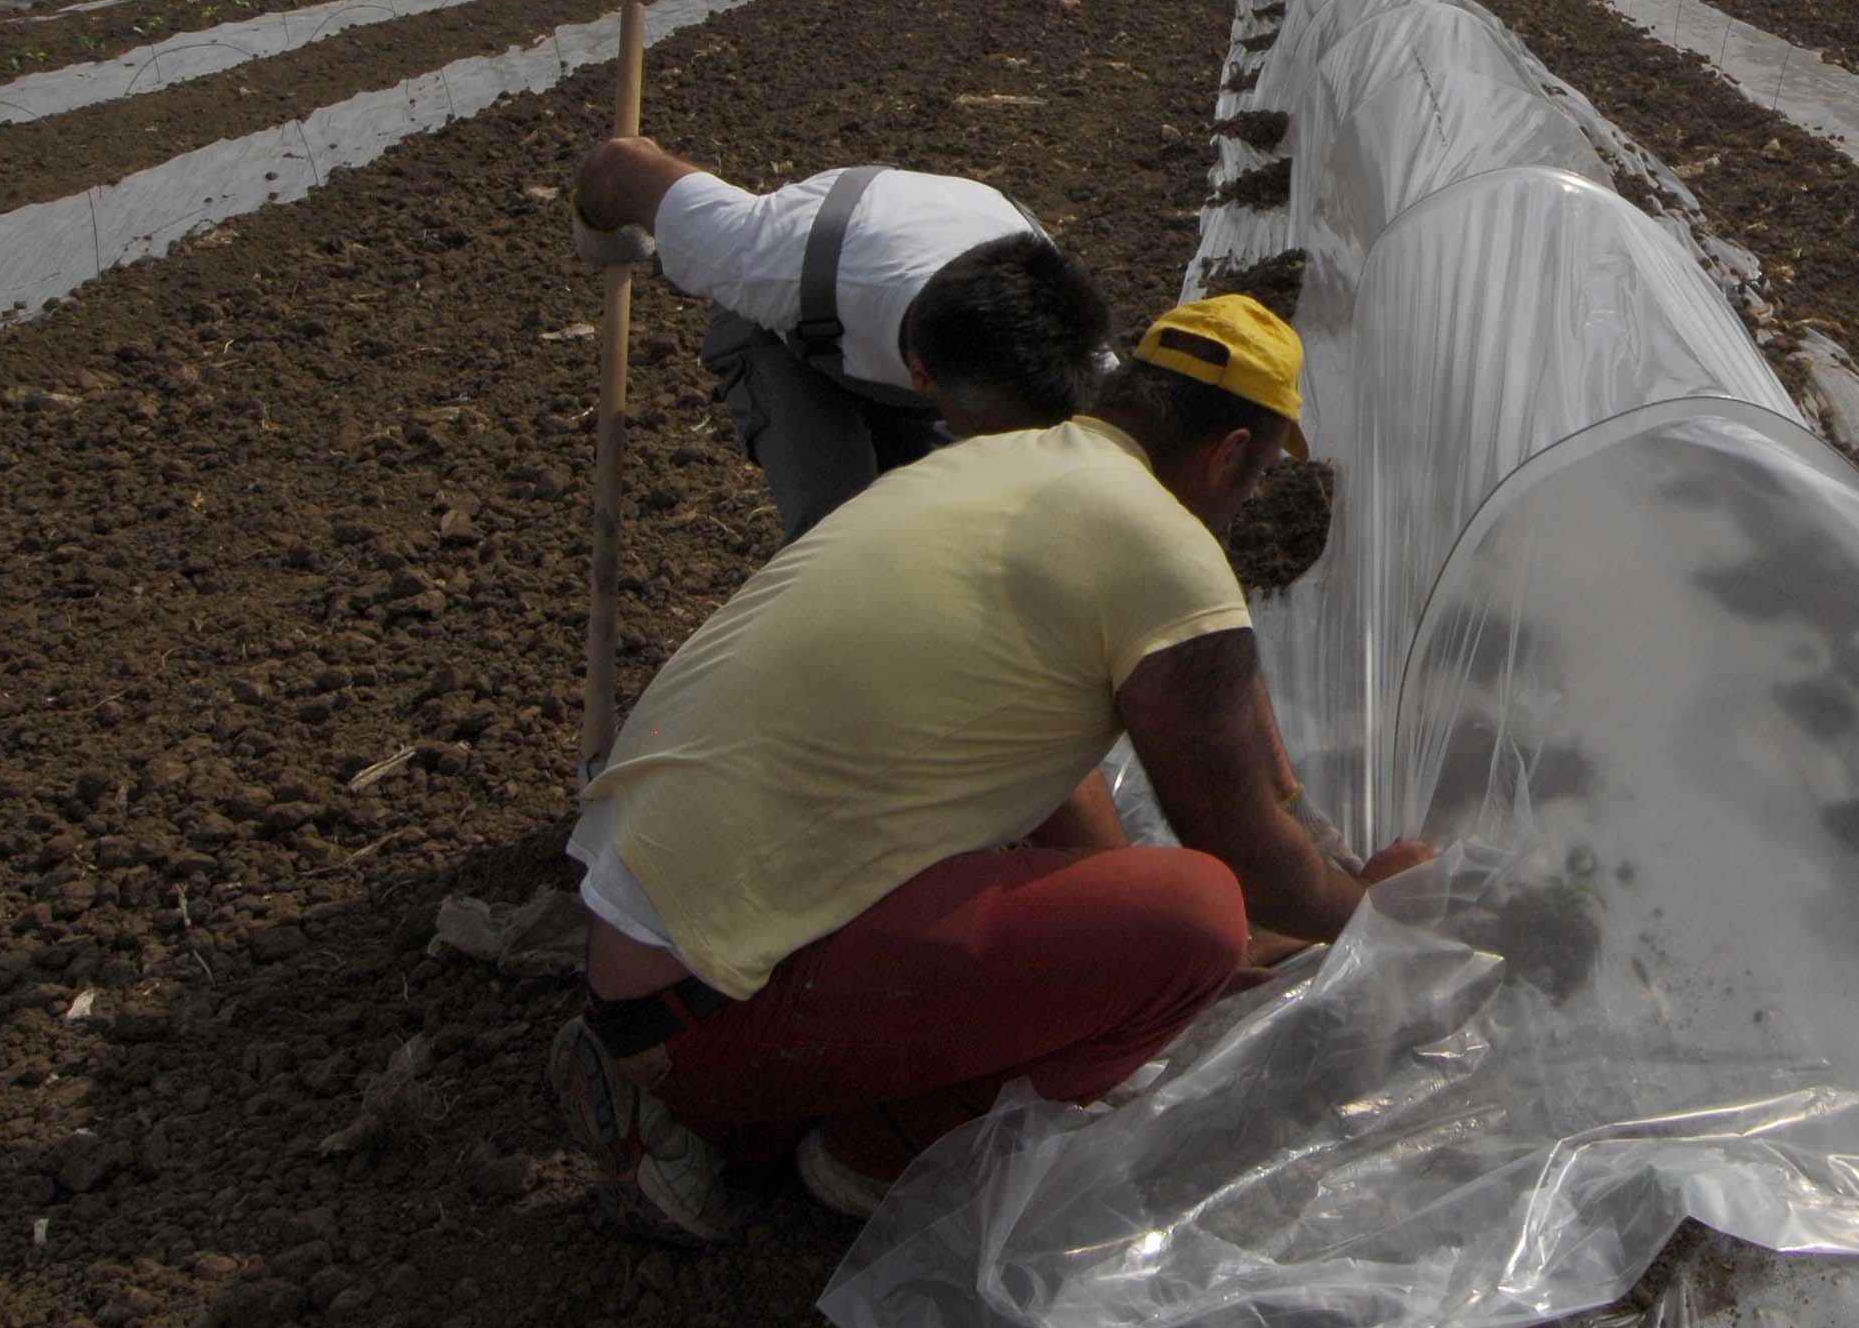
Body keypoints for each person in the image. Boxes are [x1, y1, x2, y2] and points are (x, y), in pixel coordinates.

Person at [545, 292, 1434, 1245]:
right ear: (1228, 456)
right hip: (709, 1014)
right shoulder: (1168, 551)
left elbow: (1046, 763)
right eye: (1254, 479)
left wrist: (1116, 933)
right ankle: (863, 1148)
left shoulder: (989, 465)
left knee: (1141, 912)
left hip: (640, 941)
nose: (1244, 503)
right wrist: (1375, 919)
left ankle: (686, 1073)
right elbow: (1246, 853)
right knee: (1200, 916)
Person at [572, 137, 1108, 541]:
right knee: (844, 530)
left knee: (948, 524)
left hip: (905, 288)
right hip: (794, 328)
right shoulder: (765, 255)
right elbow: (620, 168)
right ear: (922, 378)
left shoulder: (1074, 350)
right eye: (991, 433)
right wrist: (600, 234)